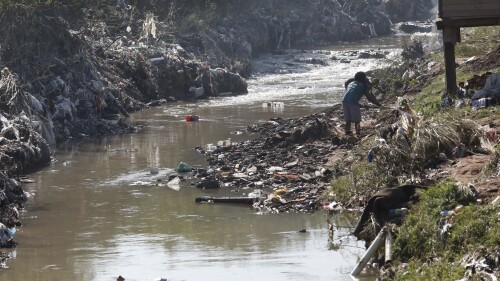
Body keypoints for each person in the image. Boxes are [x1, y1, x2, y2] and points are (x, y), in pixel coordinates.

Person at [342, 71, 382, 136]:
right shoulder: (363, 85)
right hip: (353, 101)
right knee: (357, 120)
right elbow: (370, 98)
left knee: (348, 119)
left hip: (344, 101)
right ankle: (358, 133)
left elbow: (351, 94)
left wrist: (359, 104)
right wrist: (379, 105)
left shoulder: (351, 83)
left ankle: (347, 132)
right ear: (363, 79)